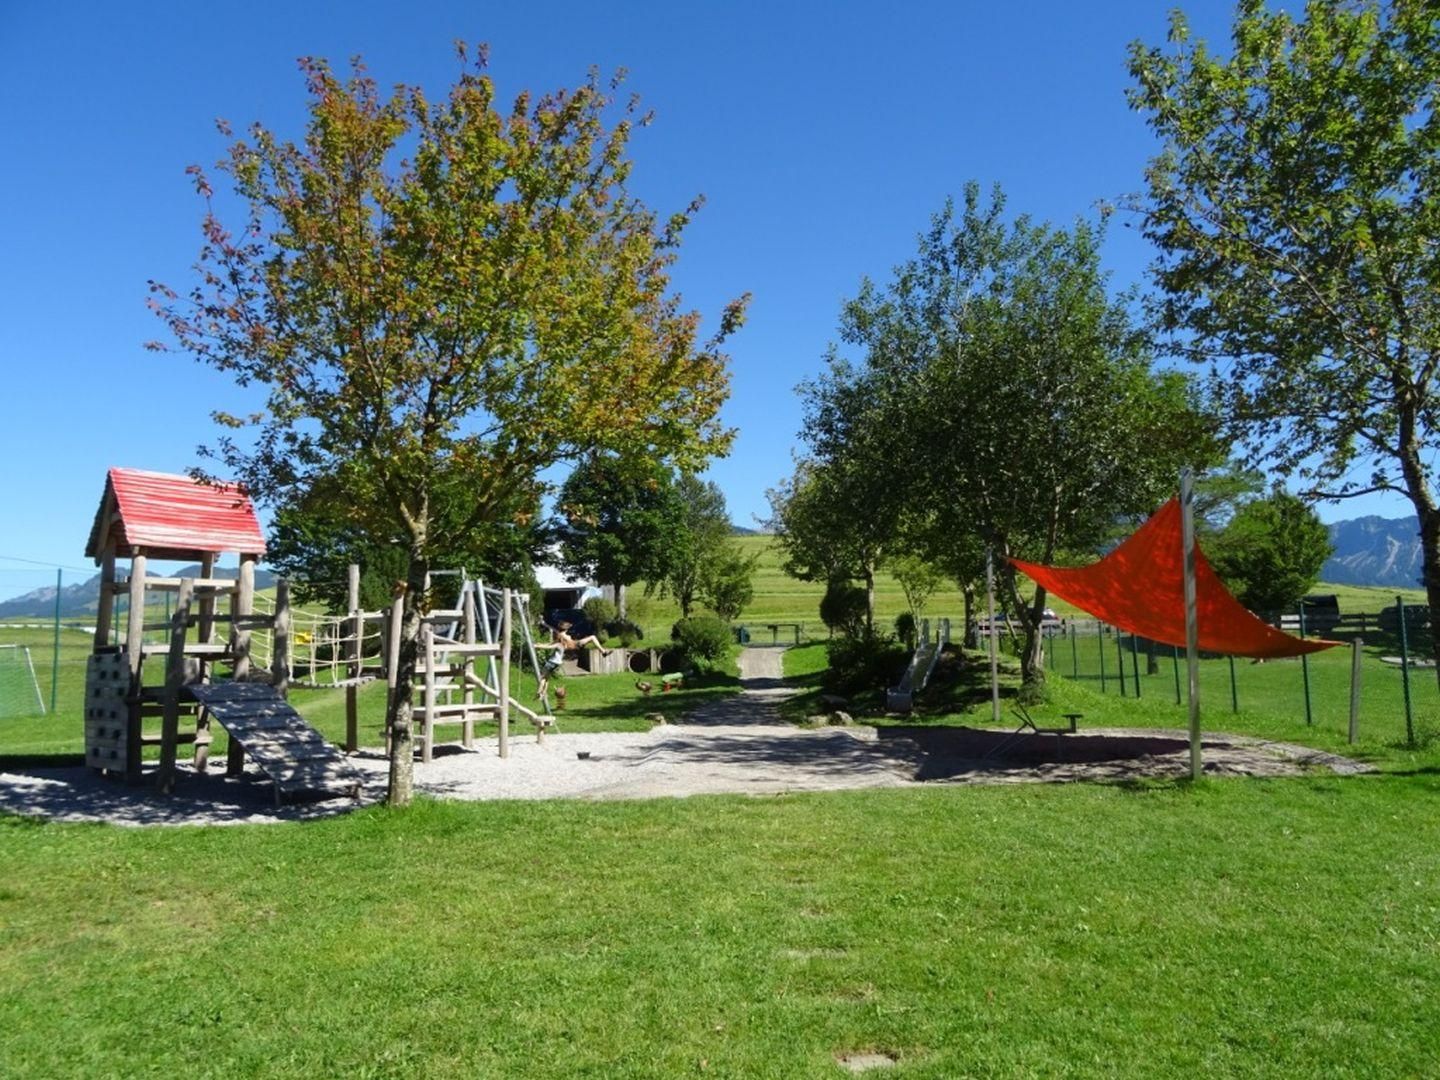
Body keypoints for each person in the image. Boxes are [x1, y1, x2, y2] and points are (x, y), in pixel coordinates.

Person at [536, 620, 612, 700]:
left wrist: (544, 624)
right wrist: (544, 624)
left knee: (545, 677)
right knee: (592, 637)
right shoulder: (561, 635)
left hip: (574, 645)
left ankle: (603, 652)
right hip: (575, 645)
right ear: (565, 629)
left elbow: (552, 636)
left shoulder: (559, 635)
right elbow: (554, 632)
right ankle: (603, 652)